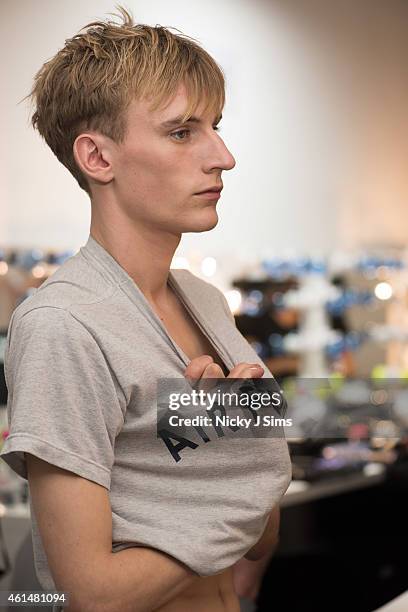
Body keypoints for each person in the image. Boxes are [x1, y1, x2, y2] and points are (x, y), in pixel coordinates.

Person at [0, 7, 292, 611]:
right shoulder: (64, 324)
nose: (223, 156)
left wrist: (238, 464)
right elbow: (92, 595)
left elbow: (261, 536)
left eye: (215, 126)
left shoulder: (205, 302)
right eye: (182, 132)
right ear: (98, 158)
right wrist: (244, 478)